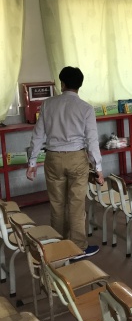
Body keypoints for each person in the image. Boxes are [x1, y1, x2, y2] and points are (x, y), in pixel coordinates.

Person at [26, 66, 103, 258]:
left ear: (62, 84)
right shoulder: (86, 108)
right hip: (77, 158)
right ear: (79, 85)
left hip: (53, 158)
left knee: (57, 204)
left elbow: (38, 135)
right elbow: (92, 140)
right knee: (76, 204)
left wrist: (32, 162)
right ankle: (78, 248)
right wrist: (98, 168)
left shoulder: (47, 105)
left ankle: (58, 245)